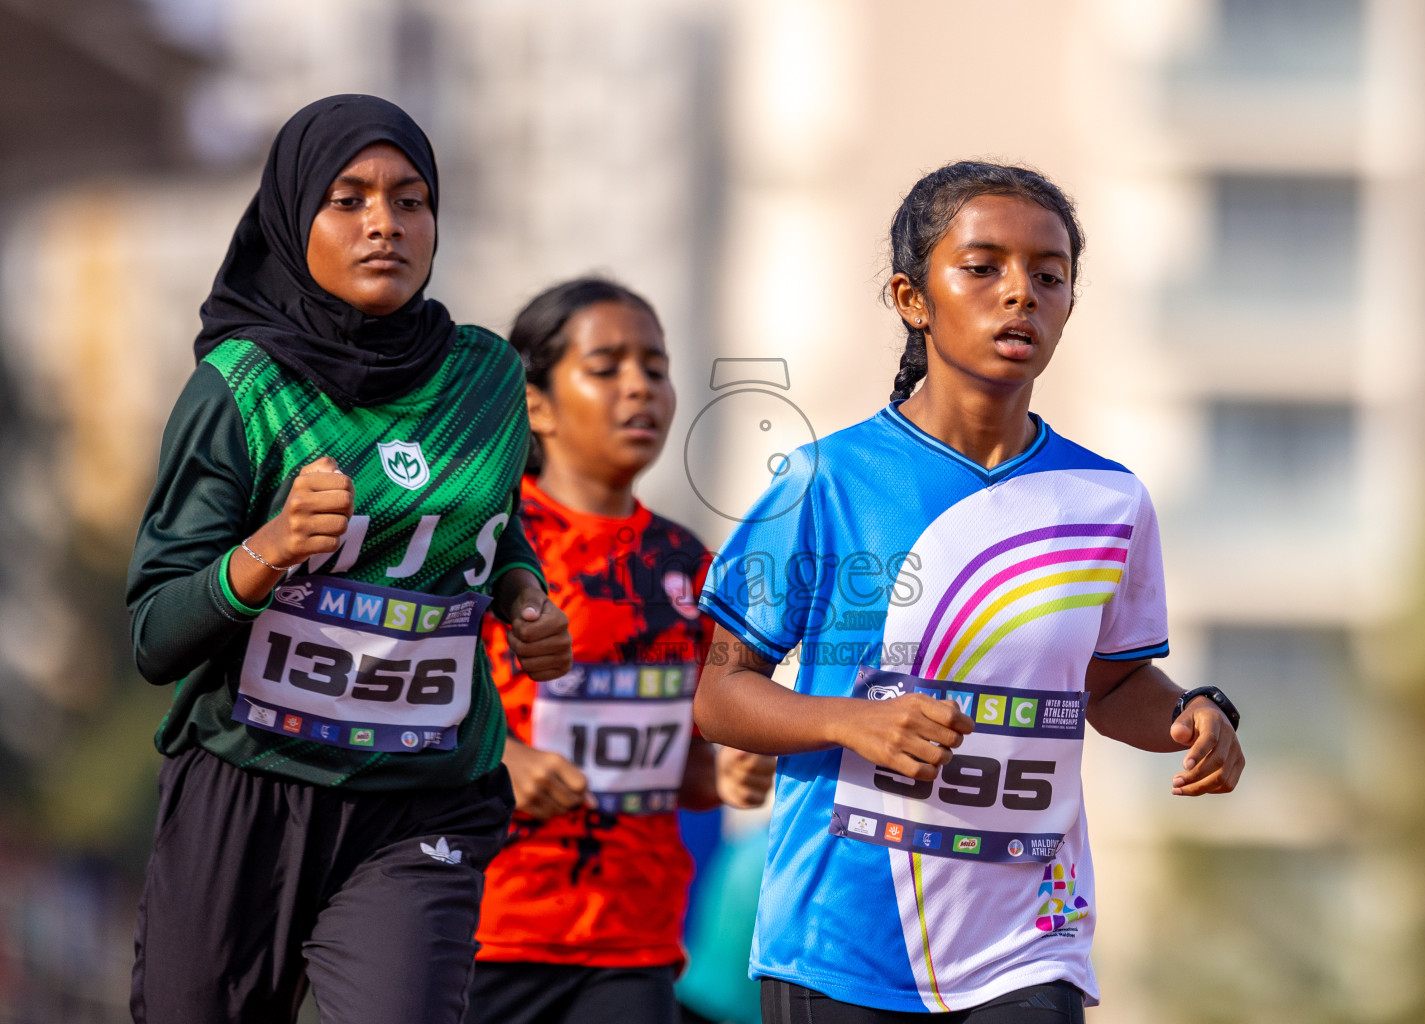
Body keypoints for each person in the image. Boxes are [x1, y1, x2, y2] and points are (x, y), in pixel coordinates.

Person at [693, 161, 1246, 1023]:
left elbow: (1112, 687)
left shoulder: (1110, 501)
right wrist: (851, 720)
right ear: (913, 299)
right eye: (983, 267)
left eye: (1050, 275)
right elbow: (722, 696)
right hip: (842, 941)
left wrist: (1191, 714)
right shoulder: (824, 482)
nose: (1020, 293)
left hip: (1029, 940)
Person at [125, 94, 572, 1024]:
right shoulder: (241, 390)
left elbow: (486, 524)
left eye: (410, 201)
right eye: (349, 199)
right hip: (248, 790)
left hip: (422, 802)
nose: (384, 224)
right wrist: (270, 549)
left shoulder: (487, 379)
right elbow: (155, 636)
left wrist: (522, 592)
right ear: (296, 221)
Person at [468, 278, 775, 1024]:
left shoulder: (690, 566)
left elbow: (688, 770)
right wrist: (505, 758)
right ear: (535, 403)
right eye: (606, 367)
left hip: (632, 943)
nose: (639, 386)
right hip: (483, 928)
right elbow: (405, 700)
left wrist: (730, 771)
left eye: (656, 366)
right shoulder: (479, 544)